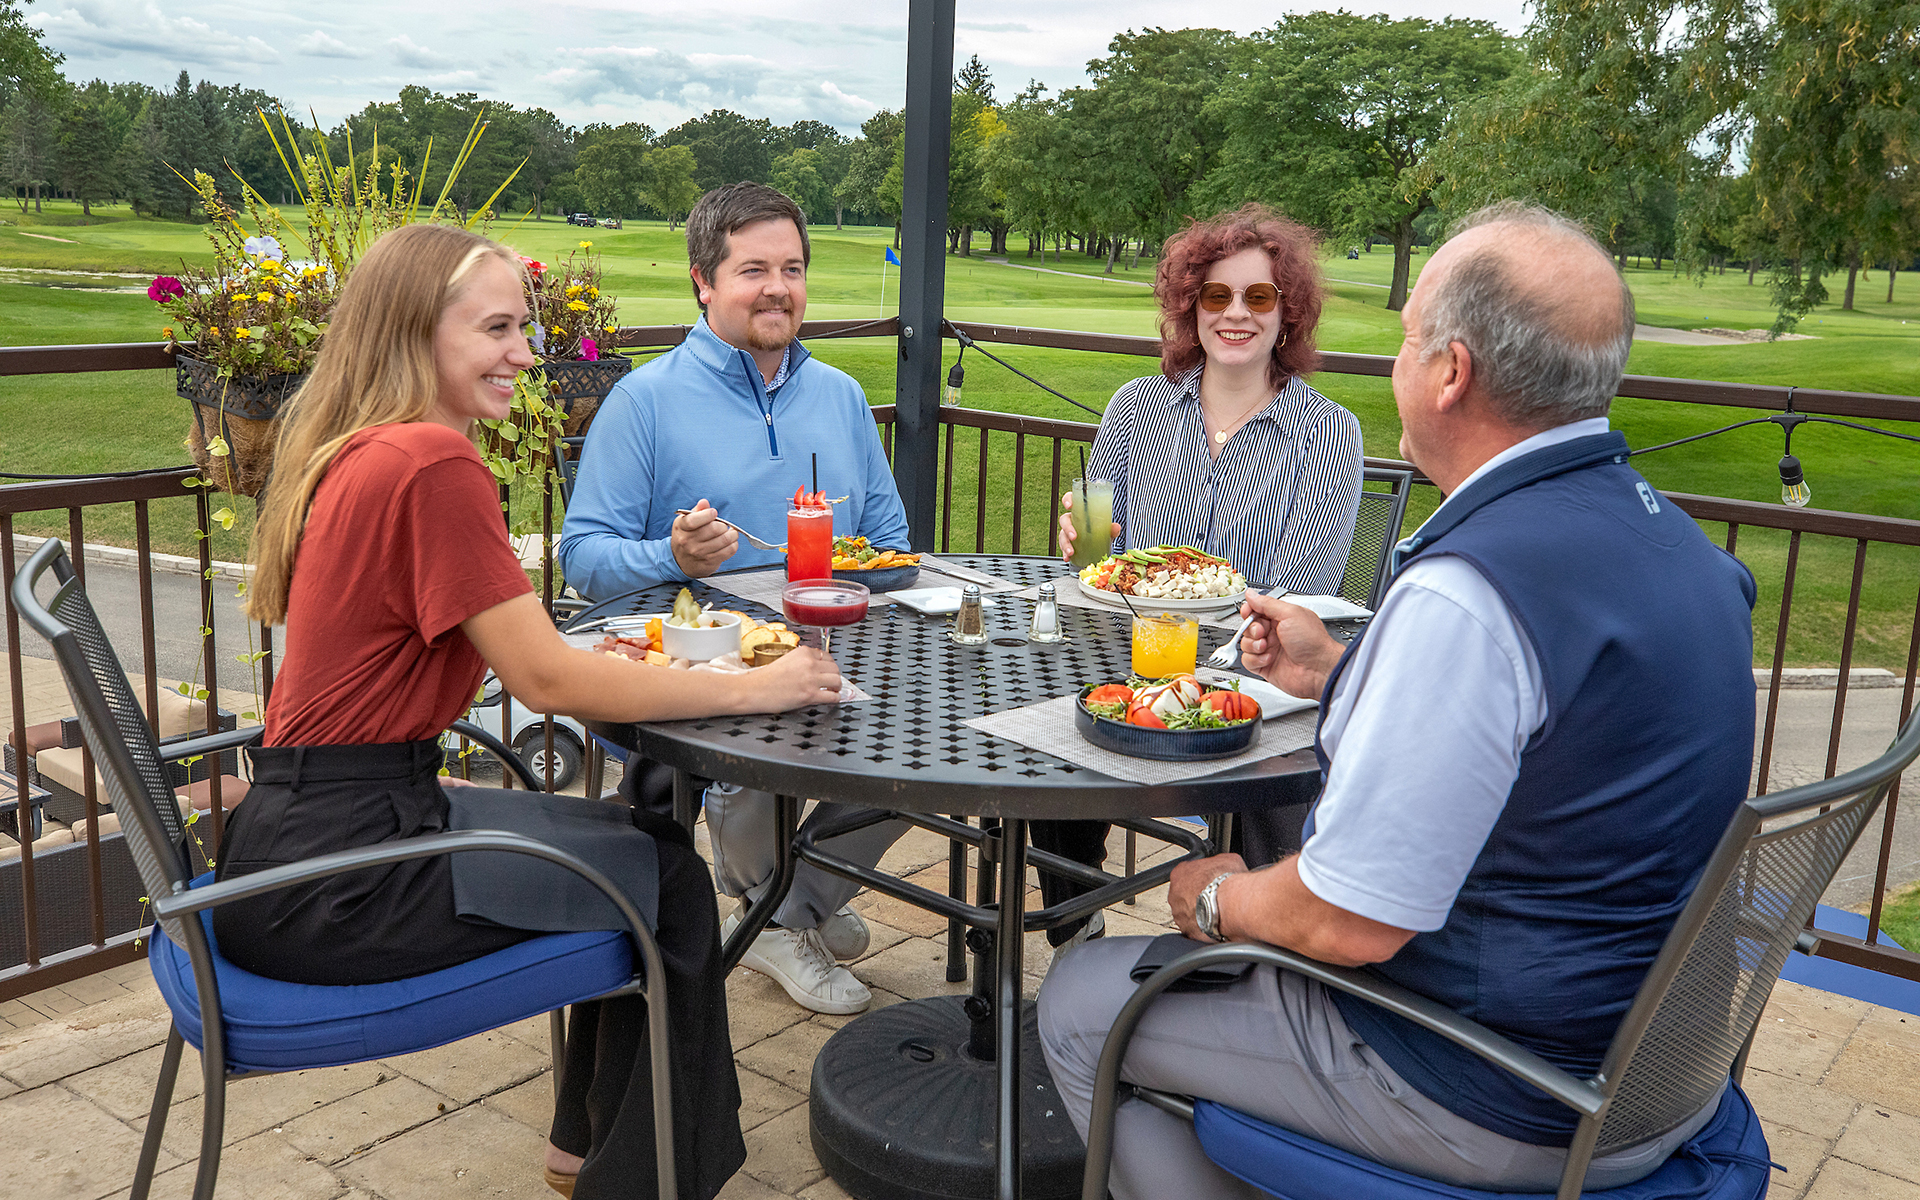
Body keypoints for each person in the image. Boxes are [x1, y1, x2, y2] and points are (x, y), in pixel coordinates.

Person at [1038, 201, 1759, 1200]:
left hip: (1493, 1082)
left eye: (1409, 336)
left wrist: (1215, 898)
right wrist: (1337, 671)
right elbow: (1536, 727)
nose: (1395, 360)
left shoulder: (1470, 591)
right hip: (1664, 1070)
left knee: (1082, 998)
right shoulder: (1688, 554)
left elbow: (1346, 923)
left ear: (1450, 372)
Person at [217, 223, 846, 1200]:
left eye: (527, 328)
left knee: (638, 844)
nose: (524, 352)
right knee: (668, 882)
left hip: (298, 842)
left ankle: (584, 1150)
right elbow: (546, 683)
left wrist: (589, 656)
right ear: (414, 332)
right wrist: (757, 687)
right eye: (497, 329)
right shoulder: (430, 463)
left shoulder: (363, 449)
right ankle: (639, 1179)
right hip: (341, 881)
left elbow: (516, 649)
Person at [557, 182, 912, 1017]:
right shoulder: (644, 401)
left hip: (838, 644)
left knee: (924, 735)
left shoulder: (841, 396)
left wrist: (863, 568)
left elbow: (891, 541)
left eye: (792, 268)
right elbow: (583, 558)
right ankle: (787, 909)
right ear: (703, 282)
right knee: (764, 737)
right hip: (707, 665)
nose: (778, 288)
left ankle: (790, 901)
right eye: (754, 270)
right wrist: (670, 554)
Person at [1040, 204, 1364, 957]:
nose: (1236, 314)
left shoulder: (1326, 431)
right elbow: (1098, 571)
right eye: (1217, 295)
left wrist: (1198, 660)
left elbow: (1303, 595)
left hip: (1249, 679)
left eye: (1259, 297)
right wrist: (1077, 544)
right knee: (1056, 726)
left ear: (1287, 313)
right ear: (1192, 306)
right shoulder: (1134, 409)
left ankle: (1253, 949)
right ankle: (1074, 925)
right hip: (1128, 661)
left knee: (1283, 764)